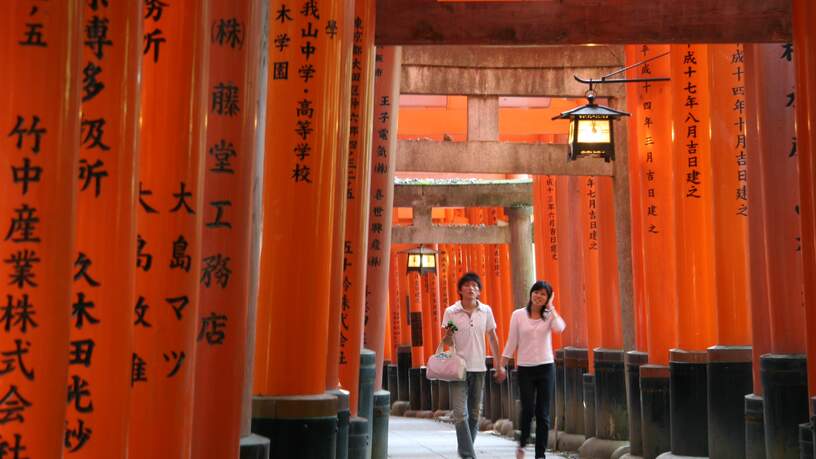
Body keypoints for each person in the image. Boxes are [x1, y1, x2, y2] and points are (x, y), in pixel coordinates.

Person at [441, 272, 506, 459]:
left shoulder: (486, 311)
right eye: (467, 285)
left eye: (475, 286)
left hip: (479, 368)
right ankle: (469, 455)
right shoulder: (451, 312)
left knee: (475, 414)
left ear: (479, 291)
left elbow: (493, 338)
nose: (472, 289)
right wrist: (448, 335)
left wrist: (498, 363)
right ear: (460, 290)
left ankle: (464, 452)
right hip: (458, 368)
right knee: (460, 413)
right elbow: (447, 340)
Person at [499, 281, 566, 459]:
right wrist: (501, 364)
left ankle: (540, 454)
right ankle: (522, 445)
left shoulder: (549, 316)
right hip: (526, 369)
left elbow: (560, 328)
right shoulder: (518, 315)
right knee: (528, 408)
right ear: (531, 294)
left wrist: (551, 307)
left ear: (547, 298)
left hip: (546, 367)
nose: (539, 296)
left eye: (544, 294)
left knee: (543, 413)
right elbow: (511, 341)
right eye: (536, 292)